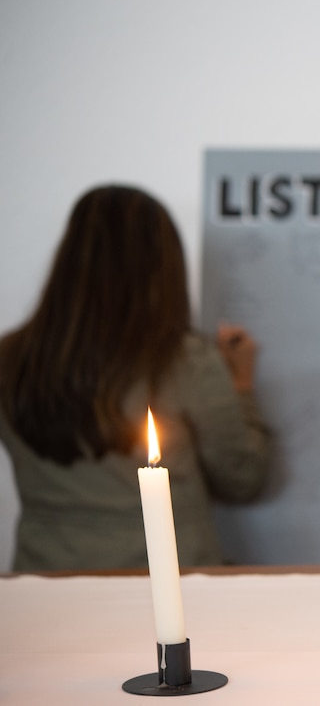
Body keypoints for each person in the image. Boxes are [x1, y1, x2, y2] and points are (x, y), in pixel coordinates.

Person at [0, 184, 272, 571]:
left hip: (45, 575)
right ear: (164, 269)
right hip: (166, 576)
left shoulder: (8, 358)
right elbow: (242, 478)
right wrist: (242, 385)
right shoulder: (184, 361)